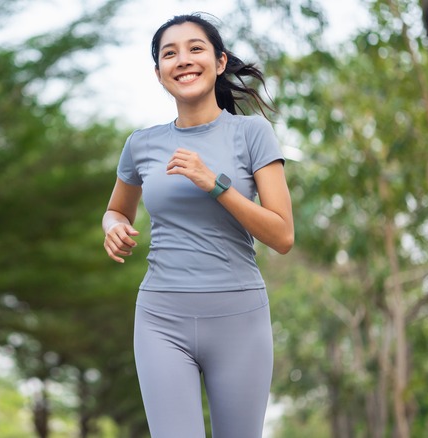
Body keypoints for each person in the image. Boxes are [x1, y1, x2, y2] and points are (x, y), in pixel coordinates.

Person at [101, 12, 294, 438]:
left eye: (195, 48)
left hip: (239, 317)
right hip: (160, 316)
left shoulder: (252, 133)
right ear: (159, 73)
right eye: (170, 54)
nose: (183, 60)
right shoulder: (141, 144)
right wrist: (111, 226)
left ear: (219, 62)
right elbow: (117, 210)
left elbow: (282, 236)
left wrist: (216, 184)